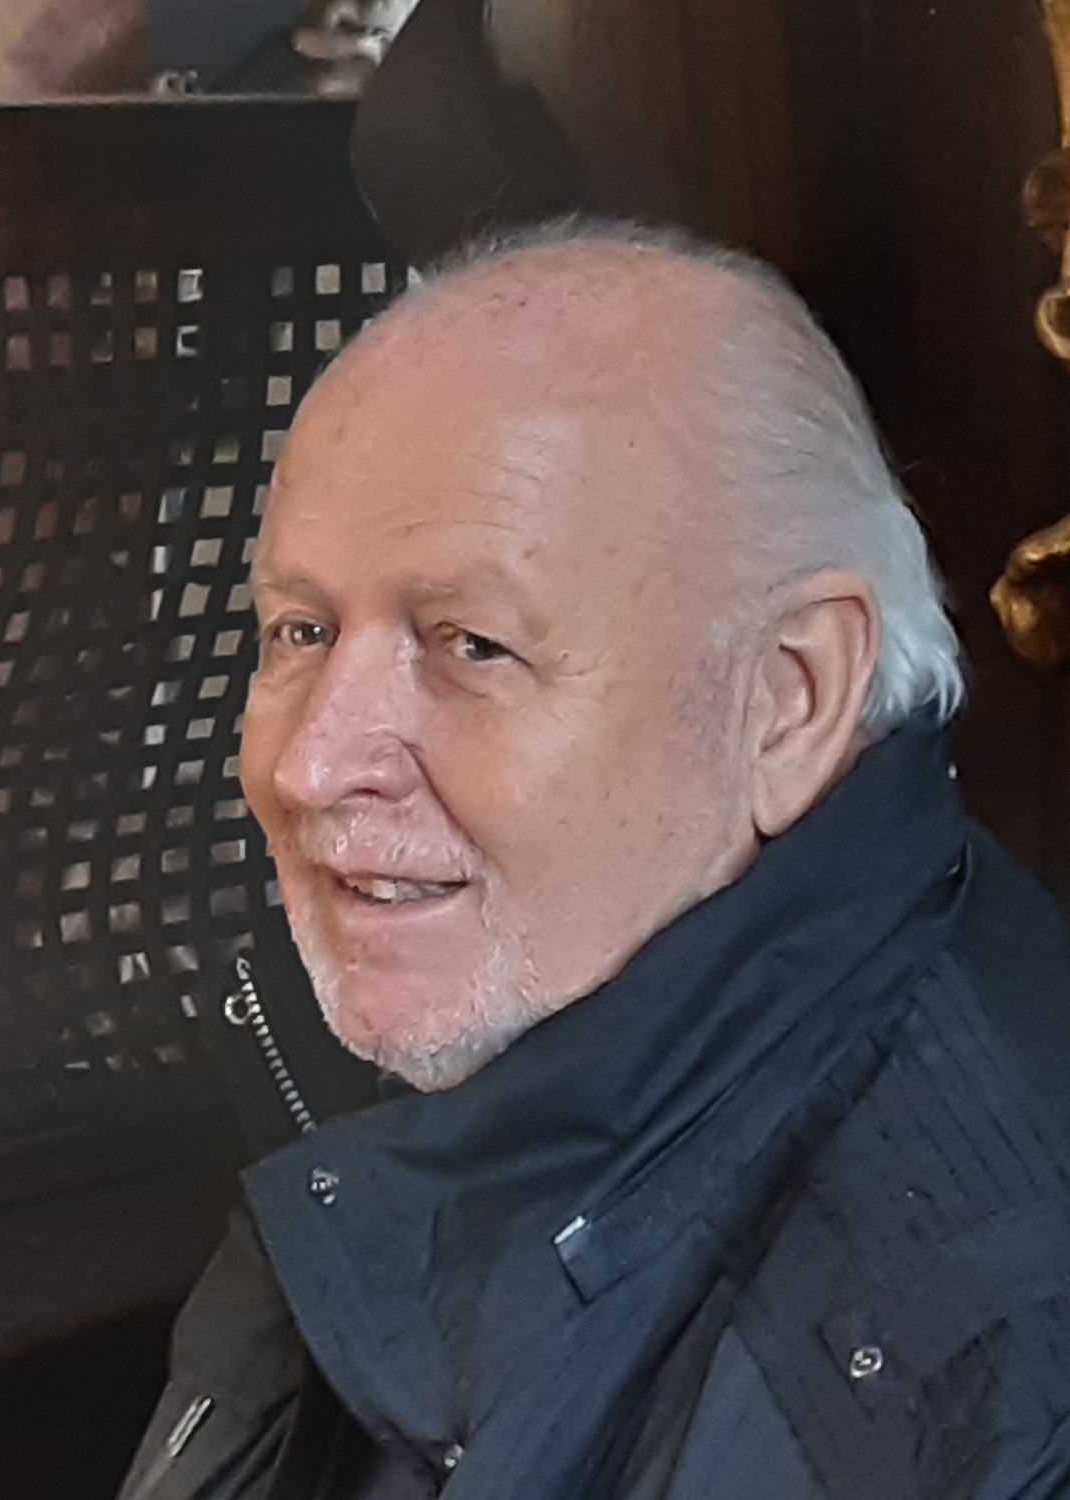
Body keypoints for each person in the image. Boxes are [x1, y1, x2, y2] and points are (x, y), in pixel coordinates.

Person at [119, 222, 1070, 1500]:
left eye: (472, 645)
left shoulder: (978, 1395)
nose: (308, 765)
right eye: (300, 630)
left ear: (788, 698)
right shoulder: (487, 1012)